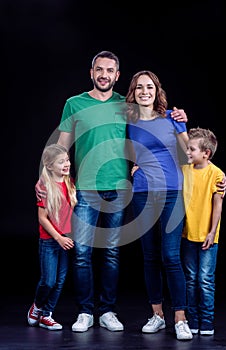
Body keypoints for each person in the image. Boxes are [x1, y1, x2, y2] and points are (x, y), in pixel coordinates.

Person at [35, 51, 190, 333]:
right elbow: (60, 147)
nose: (104, 74)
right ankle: (85, 311)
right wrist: (46, 178)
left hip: (120, 189)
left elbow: (152, 120)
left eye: (110, 70)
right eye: (99, 69)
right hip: (84, 189)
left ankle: (107, 310)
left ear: (117, 76)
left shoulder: (125, 106)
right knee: (82, 253)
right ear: (91, 72)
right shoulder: (74, 104)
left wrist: (176, 116)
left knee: (111, 254)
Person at [126, 70, 194, 340]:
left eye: (150, 87)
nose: (145, 91)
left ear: (157, 91)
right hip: (143, 192)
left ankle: (180, 318)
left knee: (171, 256)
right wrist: (135, 165)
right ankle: (157, 315)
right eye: (140, 87)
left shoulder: (171, 119)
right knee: (150, 257)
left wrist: (217, 175)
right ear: (133, 92)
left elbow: (191, 154)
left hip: (171, 192)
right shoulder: (128, 122)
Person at [27, 144, 77, 331]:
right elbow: (42, 218)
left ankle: (47, 315)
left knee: (60, 280)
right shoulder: (45, 186)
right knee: (49, 280)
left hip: (65, 239)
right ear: (49, 165)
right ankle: (37, 307)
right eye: (61, 161)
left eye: (67, 159)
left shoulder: (69, 182)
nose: (66, 164)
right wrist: (59, 238)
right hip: (50, 240)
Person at [181, 127, 224, 336]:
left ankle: (207, 321)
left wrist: (211, 232)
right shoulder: (184, 169)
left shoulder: (216, 174)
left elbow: (217, 205)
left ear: (205, 153)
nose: (187, 152)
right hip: (187, 234)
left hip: (208, 236)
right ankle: (193, 320)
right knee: (190, 279)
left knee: (205, 280)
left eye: (192, 149)